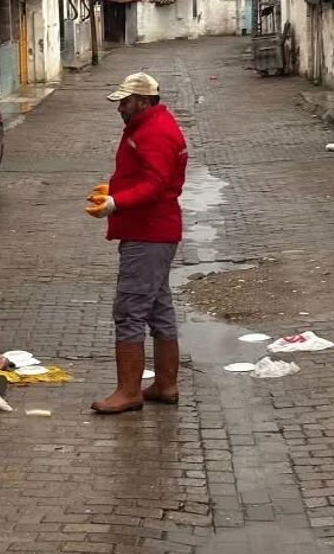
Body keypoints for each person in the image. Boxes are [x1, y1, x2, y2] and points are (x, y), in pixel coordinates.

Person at [84, 72, 188, 415]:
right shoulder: (152, 126)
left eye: (125, 102)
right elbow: (145, 178)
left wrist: (117, 203)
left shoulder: (154, 132)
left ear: (143, 101)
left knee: (130, 310)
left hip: (148, 233)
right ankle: (165, 384)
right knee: (159, 309)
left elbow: (156, 184)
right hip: (154, 231)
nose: (120, 108)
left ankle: (128, 391)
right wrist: (114, 192)